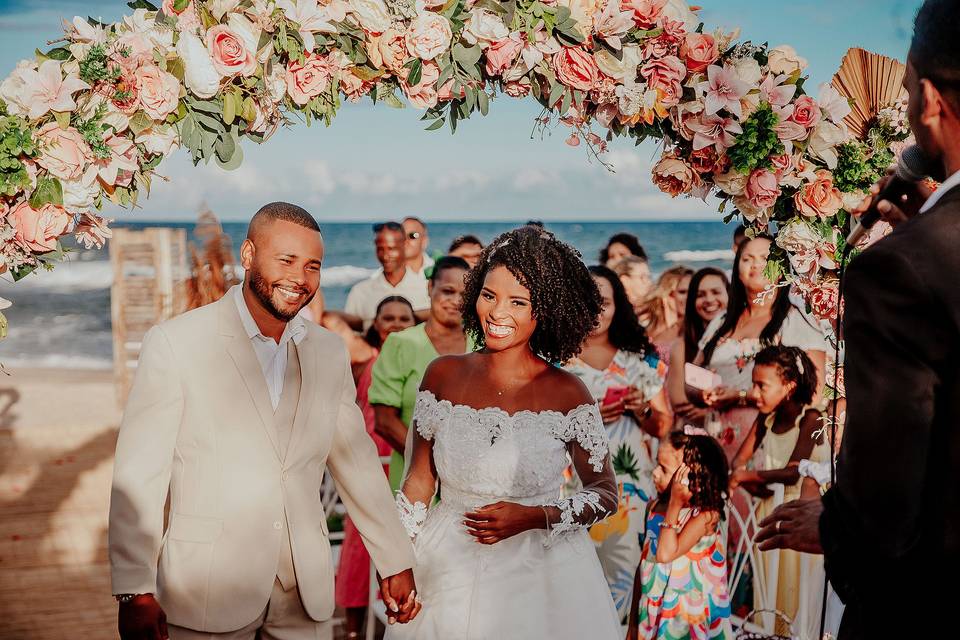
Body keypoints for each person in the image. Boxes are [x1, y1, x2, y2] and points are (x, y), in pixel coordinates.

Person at [108, 202, 419, 640]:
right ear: (249, 255)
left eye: (313, 266)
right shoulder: (177, 343)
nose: (300, 278)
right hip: (206, 588)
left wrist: (394, 558)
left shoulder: (328, 352)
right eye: (286, 260)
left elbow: (358, 464)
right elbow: (140, 474)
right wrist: (134, 590)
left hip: (302, 594)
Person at [756, 2, 960, 636]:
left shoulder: (901, 271)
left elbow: (888, 504)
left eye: (904, 94)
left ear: (929, 99)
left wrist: (835, 526)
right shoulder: (926, 250)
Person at [386, 226, 622, 639]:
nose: (497, 313)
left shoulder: (568, 391)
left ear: (544, 310)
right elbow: (420, 480)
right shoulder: (442, 374)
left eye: (518, 301)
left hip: (544, 575)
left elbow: (604, 492)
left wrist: (536, 516)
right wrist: (397, 560)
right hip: (445, 563)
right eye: (489, 295)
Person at [563, 265, 671, 619]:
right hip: (566, 483)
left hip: (629, 486)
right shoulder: (554, 359)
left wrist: (641, 410)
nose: (596, 311)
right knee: (569, 570)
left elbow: (662, 425)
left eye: (605, 302)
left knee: (624, 570)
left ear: (618, 305)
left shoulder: (640, 357)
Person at [692, 236, 827, 459]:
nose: (756, 264)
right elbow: (693, 376)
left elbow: (813, 394)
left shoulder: (795, 321)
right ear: (737, 268)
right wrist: (705, 392)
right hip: (717, 440)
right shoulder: (721, 322)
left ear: (781, 269)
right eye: (747, 258)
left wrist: (742, 395)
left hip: (767, 442)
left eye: (765, 258)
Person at [729, 346, 828, 636]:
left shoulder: (811, 418)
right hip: (771, 515)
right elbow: (738, 463)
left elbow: (793, 470)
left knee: (797, 593)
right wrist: (749, 480)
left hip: (800, 517)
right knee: (769, 593)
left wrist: (747, 475)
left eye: (762, 386)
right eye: (753, 384)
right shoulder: (766, 419)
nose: (754, 393)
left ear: (789, 386)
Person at [336, 296, 416, 640]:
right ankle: (353, 630)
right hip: (367, 456)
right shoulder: (366, 359)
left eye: (404, 319)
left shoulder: (421, 358)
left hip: (400, 460)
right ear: (376, 325)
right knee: (359, 544)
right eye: (388, 318)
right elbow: (330, 320)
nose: (396, 324)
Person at [369, 256, 473, 491]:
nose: (456, 301)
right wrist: (434, 464)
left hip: (472, 482)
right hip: (416, 476)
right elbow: (385, 421)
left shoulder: (481, 344)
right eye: (448, 291)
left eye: (464, 294)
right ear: (430, 288)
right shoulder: (401, 343)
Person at [626, 431, 733, 640]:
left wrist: (675, 503)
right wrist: (632, 625)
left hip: (688, 621)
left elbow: (666, 553)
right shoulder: (654, 508)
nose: (655, 473)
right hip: (653, 617)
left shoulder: (705, 517)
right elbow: (644, 565)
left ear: (689, 475)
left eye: (664, 469)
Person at [669, 267, 730, 425]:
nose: (709, 299)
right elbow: (680, 402)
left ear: (730, 294)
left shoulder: (741, 342)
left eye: (716, 292)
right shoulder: (682, 346)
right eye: (700, 295)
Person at [344, 222, 430, 331]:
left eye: (391, 249)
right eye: (380, 249)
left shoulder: (426, 289)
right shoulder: (360, 292)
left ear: (405, 245)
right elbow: (351, 337)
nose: (385, 256)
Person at [639, 266, 693, 359]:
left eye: (693, 292)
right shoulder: (643, 327)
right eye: (682, 292)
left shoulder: (694, 330)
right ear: (667, 293)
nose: (689, 297)